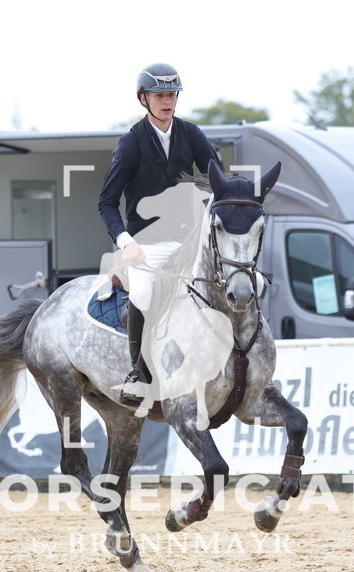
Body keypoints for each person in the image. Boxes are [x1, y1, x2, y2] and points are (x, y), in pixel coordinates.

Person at [98, 63, 223, 406]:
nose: (168, 101)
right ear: (144, 99)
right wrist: (127, 243)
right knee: (144, 293)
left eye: (172, 95)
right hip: (146, 246)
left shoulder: (192, 134)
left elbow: (218, 181)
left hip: (187, 242)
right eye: (160, 95)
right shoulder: (130, 144)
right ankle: (138, 374)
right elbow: (107, 202)